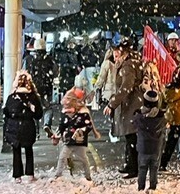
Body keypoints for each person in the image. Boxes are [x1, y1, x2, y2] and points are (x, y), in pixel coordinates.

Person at [103, 38, 144, 179]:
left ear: (124, 52)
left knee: (131, 136)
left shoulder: (128, 66)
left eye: (116, 52)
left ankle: (134, 167)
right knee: (130, 136)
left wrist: (112, 103)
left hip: (132, 105)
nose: (114, 55)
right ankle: (130, 164)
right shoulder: (130, 62)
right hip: (132, 104)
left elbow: (126, 87)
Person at [52, 88, 101, 181]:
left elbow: (88, 125)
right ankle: (58, 174)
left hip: (79, 142)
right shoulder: (66, 114)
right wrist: (57, 136)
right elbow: (61, 126)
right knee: (62, 157)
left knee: (83, 159)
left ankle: (88, 176)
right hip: (68, 141)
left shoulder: (83, 114)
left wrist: (81, 131)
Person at [3, 71, 43, 183]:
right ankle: (30, 173)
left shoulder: (12, 97)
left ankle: (17, 175)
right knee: (28, 150)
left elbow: (6, 112)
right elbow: (39, 115)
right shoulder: (33, 97)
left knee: (16, 151)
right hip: (28, 126)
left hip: (14, 127)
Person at [23, 38, 59, 136]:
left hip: (32, 89)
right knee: (48, 108)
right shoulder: (50, 60)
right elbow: (56, 72)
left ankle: (35, 131)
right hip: (46, 88)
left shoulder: (28, 59)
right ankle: (47, 124)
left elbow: (24, 73)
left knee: (33, 108)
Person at [133, 90, 166, 192]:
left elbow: (134, 123)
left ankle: (141, 187)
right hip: (156, 147)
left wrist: (139, 112)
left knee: (142, 168)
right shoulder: (161, 117)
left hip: (143, 147)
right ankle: (152, 187)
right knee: (154, 168)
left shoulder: (140, 117)